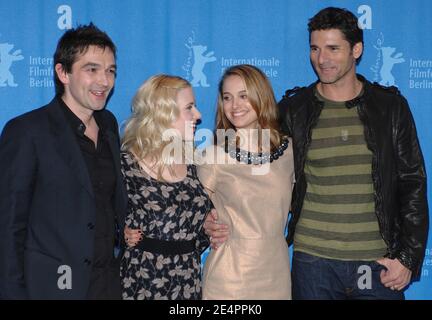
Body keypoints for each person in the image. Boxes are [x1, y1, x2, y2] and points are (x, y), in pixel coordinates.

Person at [206, 7, 429, 300]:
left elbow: (412, 183)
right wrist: (210, 218)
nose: (321, 59)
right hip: (312, 263)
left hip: (375, 263)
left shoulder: (389, 108)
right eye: (315, 48)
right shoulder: (292, 111)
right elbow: (245, 172)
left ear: (357, 50)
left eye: (333, 48)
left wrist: (408, 258)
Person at [0, 23, 127, 299]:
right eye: (91, 69)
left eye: (110, 71)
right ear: (63, 72)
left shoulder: (109, 124)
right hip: (55, 287)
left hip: (108, 285)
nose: (104, 81)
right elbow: (9, 228)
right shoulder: (27, 131)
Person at [198, 64, 294, 299]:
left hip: (277, 274)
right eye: (227, 98)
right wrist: (204, 224)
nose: (235, 106)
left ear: (261, 95)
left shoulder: (290, 150)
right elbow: (187, 209)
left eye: (243, 96)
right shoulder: (214, 155)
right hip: (228, 280)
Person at [120, 75, 212, 300]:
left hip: (188, 284)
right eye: (189, 107)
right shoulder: (124, 165)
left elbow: (201, 224)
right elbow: (94, 221)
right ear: (163, 113)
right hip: (141, 283)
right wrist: (119, 233)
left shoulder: (196, 163)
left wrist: (211, 226)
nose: (198, 115)